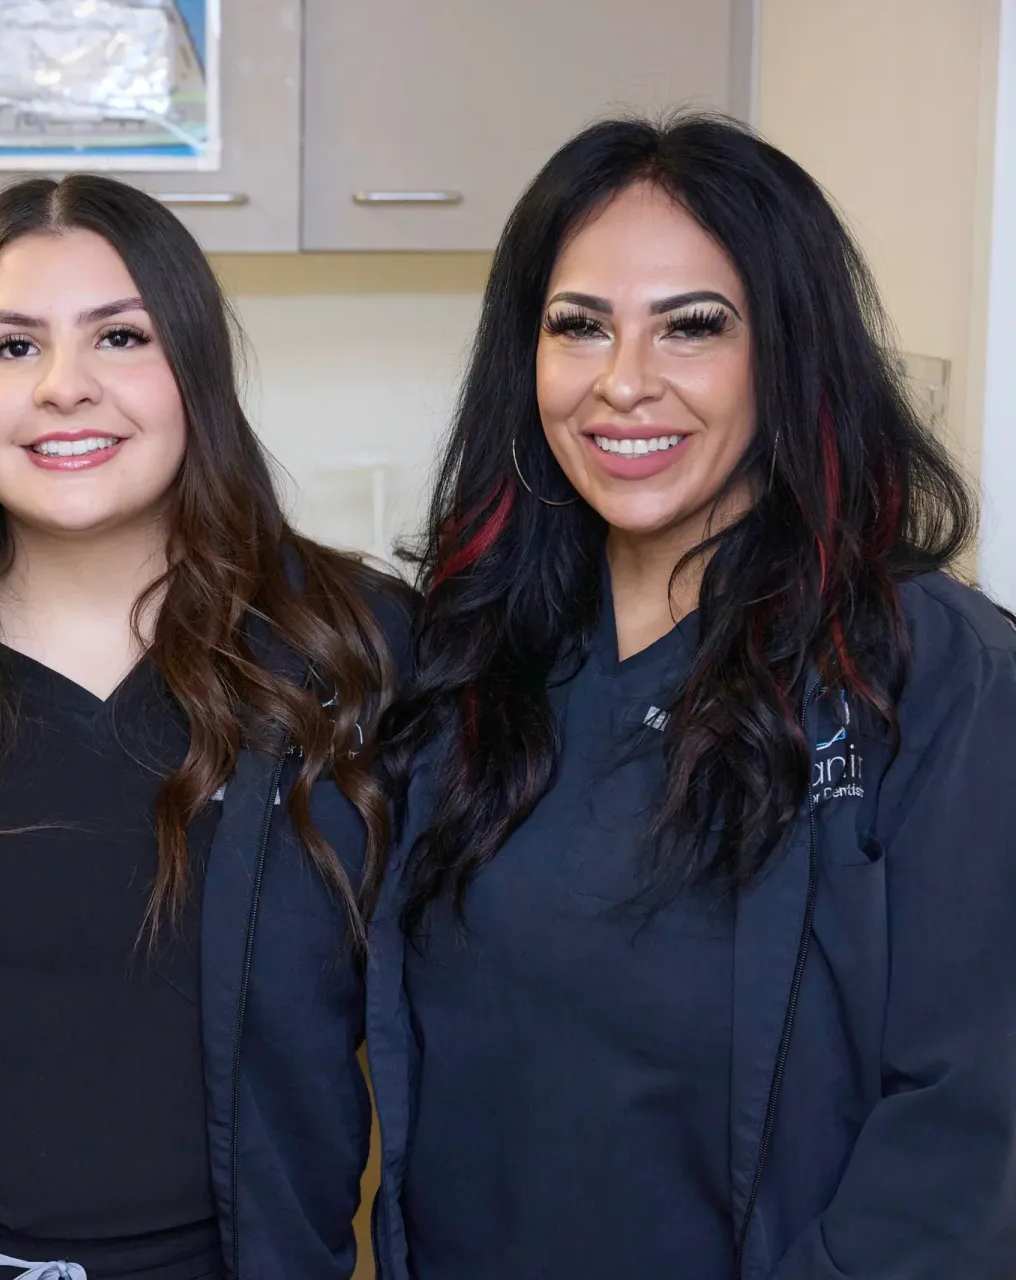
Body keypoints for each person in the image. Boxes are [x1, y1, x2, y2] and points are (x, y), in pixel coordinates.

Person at [368, 113, 1016, 1280]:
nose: (624, 381)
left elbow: (975, 1126)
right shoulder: (474, 661)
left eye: (693, 326)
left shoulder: (935, 677)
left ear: (790, 351)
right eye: (579, 326)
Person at [0, 174, 412, 1279]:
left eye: (121, 336)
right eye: (10, 347)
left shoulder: (353, 651)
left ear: (196, 371)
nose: (65, 387)